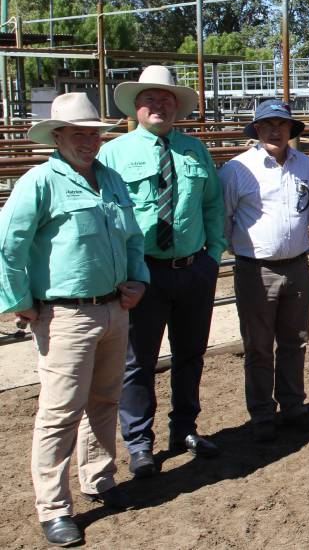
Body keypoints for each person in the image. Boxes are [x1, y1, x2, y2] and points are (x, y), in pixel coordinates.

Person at [0, 93, 149, 546]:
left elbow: (133, 238)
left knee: (104, 400)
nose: (89, 141)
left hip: (112, 307)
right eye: (79, 133)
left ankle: (100, 479)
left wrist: (138, 280)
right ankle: (54, 507)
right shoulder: (40, 181)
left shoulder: (111, 179)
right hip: (66, 313)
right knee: (60, 411)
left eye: (93, 133)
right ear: (58, 136)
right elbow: (9, 243)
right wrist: (18, 300)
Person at [98, 65, 226, 478]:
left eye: (167, 98)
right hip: (143, 274)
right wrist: (122, 272)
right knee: (139, 362)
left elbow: (212, 206)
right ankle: (139, 443)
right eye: (151, 98)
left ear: (177, 106)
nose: (159, 104)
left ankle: (184, 429)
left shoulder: (194, 150)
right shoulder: (112, 154)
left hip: (192, 270)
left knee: (191, 355)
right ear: (136, 106)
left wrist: (213, 257)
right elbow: (105, 218)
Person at [220, 100, 309, 442]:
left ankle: (293, 406)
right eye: (267, 124)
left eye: (281, 124)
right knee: (258, 345)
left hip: (297, 265)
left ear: (290, 129)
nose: (274, 130)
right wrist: (240, 249)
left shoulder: (305, 166)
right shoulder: (238, 169)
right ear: (256, 130)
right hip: (257, 269)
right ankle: (262, 413)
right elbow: (224, 218)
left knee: (295, 341)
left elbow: (308, 206)